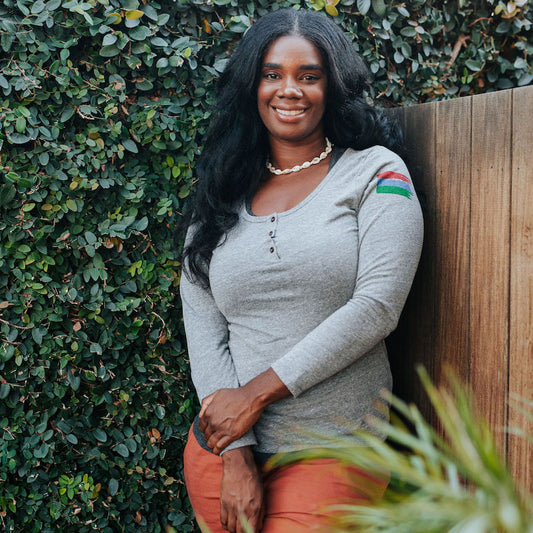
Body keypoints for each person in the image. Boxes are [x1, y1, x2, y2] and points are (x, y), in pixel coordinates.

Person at [179, 8, 423, 533]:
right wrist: (237, 451)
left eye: (308, 76)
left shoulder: (375, 172)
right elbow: (203, 322)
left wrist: (255, 395)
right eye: (272, 74)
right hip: (222, 453)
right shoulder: (224, 190)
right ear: (252, 86)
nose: (289, 90)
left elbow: (377, 306)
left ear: (332, 86)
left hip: (335, 447)